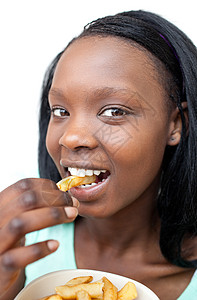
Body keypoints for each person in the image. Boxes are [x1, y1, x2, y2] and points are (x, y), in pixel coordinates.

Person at [0, 9, 197, 300]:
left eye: (114, 111)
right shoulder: (22, 241)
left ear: (175, 125)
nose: (71, 137)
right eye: (60, 111)